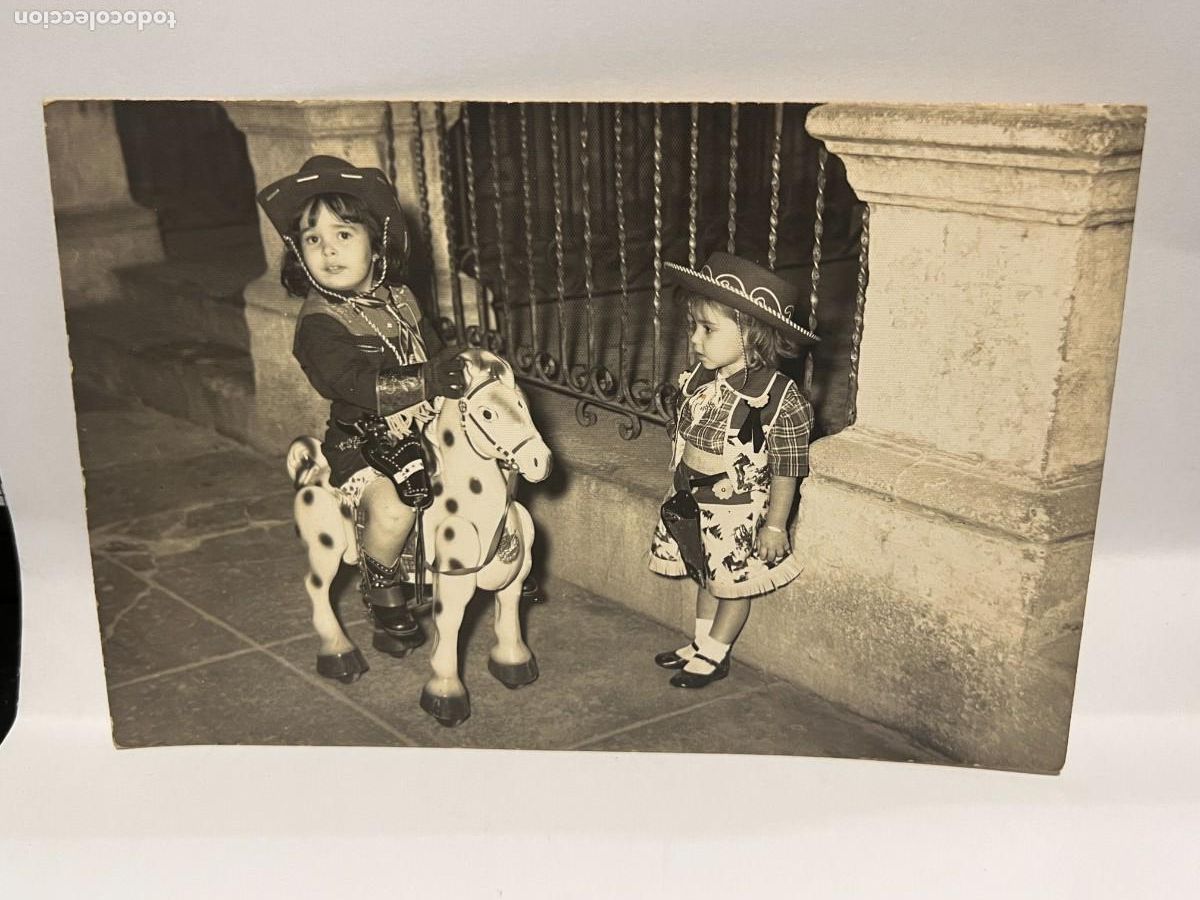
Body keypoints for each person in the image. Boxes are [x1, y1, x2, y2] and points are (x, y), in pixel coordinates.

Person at [256, 155, 467, 658]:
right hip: (367, 440)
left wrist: (452, 370)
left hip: (429, 425)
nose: (328, 248)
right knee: (394, 506)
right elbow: (349, 381)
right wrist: (426, 379)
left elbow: (430, 343)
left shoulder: (399, 296)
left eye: (344, 234)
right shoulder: (319, 322)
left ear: (376, 243)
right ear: (297, 255)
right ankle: (382, 584)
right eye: (312, 239)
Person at [649, 251, 818, 687]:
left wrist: (775, 526)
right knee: (704, 574)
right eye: (693, 327)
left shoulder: (778, 398)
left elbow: (788, 468)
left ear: (751, 335)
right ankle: (701, 642)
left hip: (736, 511)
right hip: (692, 499)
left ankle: (717, 653)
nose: (695, 340)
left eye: (707, 329)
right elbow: (686, 437)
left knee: (732, 583)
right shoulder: (703, 379)